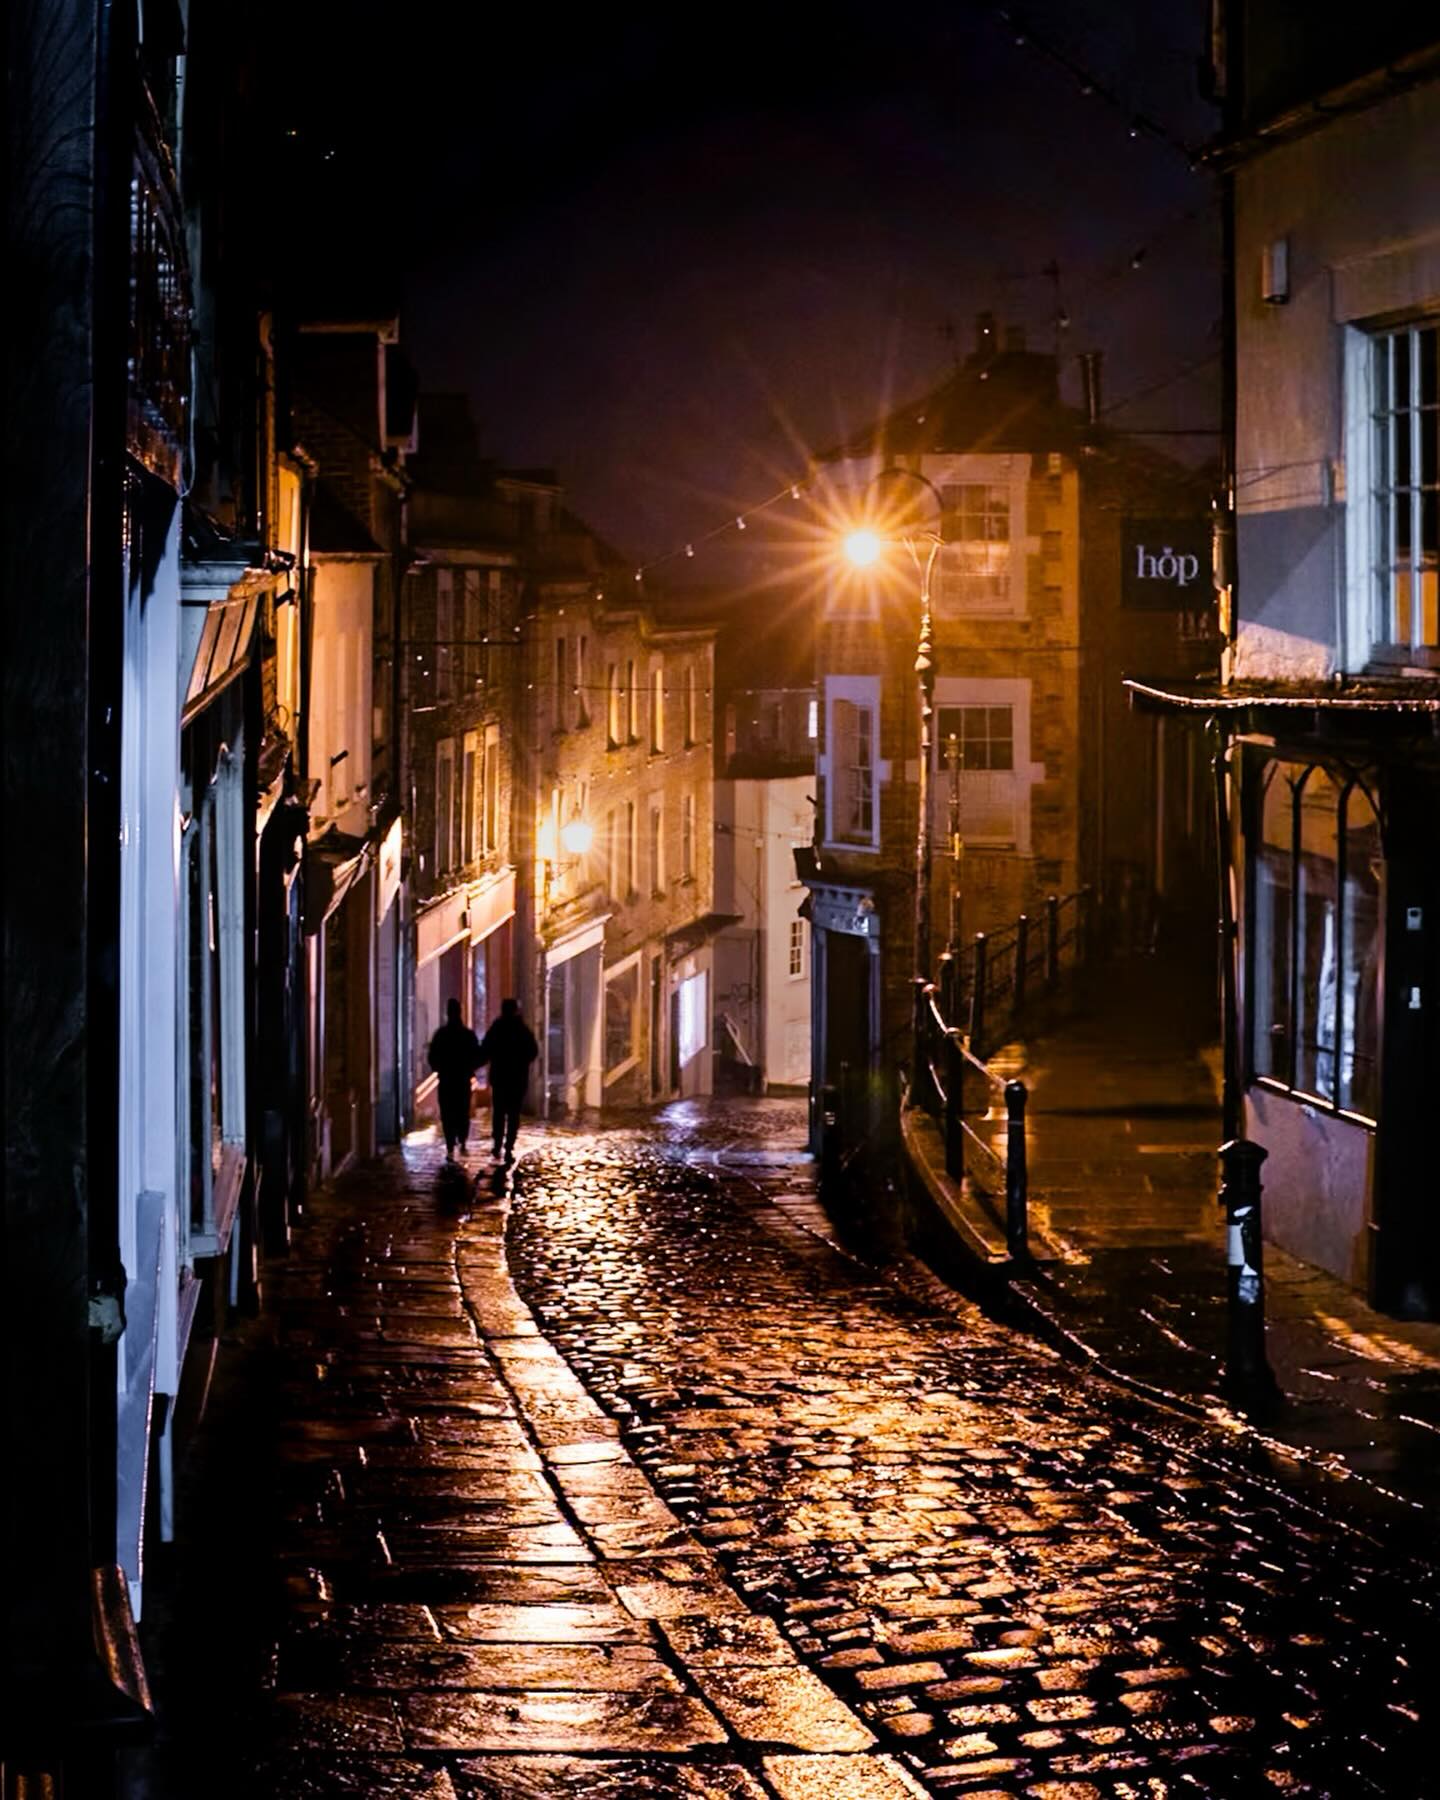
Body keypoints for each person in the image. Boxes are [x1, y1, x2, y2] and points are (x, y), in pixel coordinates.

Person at [477, 997, 539, 1163]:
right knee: (513, 1114)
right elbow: (533, 1051)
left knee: (499, 1113)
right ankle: (509, 1146)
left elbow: (485, 1049)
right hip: (517, 1078)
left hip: (500, 1077)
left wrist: (477, 1062)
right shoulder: (522, 1030)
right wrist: (522, 1061)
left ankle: (498, 1143)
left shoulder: (497, 1028)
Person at [427, 997, 483, 1160]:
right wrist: (470, 1068)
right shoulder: (467, 1035)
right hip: (462, 1079)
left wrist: (439, 1068)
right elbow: (478, 1056)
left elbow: (432, 1057)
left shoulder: (441, 1035)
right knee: (462, 1110)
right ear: (460, 1012)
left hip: (446, 1079)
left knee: (447, 1111)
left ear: (447, 1013)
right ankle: (462, 1140)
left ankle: (451, 1142)